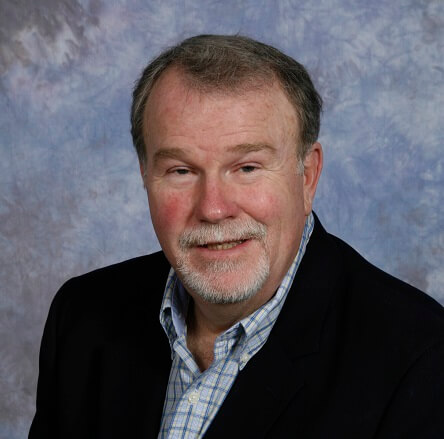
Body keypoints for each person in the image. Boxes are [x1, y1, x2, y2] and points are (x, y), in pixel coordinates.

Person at [29, 34, 444, 439]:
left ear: (307, 176)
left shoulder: (420, 359)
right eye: (181, 171)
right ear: (146, 175)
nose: (213, 208)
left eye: (247, 168)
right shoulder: (82, 316)